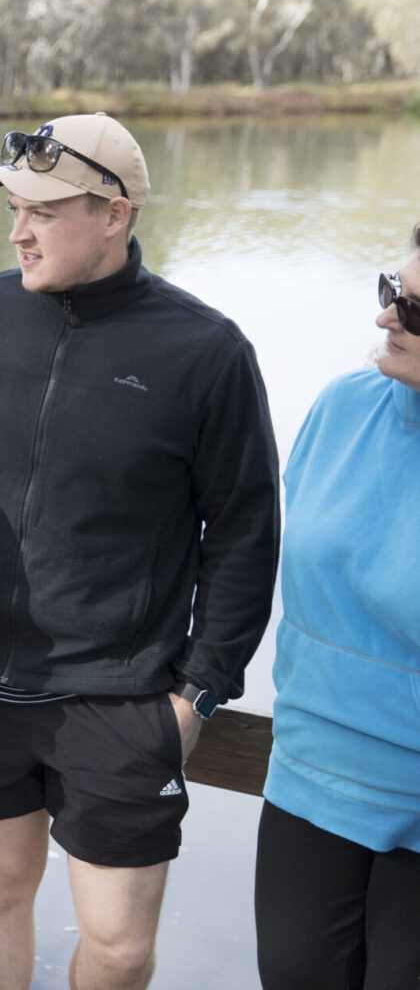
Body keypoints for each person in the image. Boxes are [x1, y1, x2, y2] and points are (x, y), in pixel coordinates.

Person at [0, 113, 280, 990]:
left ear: (114, 214)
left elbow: (243, 536)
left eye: (42, 211)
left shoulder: (206, 352)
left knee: (115, 941)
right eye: (13, 208)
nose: (17, 230)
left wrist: (198, 695)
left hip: (122, 701)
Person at [253, 225, 420, 989]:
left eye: (414, 312)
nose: (386, 318)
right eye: (392, 292)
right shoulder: (345, 405)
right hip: (310, 770)